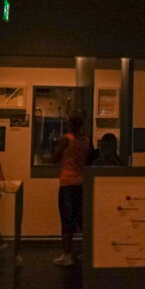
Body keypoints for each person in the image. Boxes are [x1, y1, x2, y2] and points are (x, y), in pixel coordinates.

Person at [52, 112, 90, 266]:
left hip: (67, 182)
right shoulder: (87, 140)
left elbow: (55, 157)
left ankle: (67, 254)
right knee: (81, 219)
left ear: (70, 124)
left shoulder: (65, 139)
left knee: (67, 219)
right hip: (81, 182)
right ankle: (87, 252)